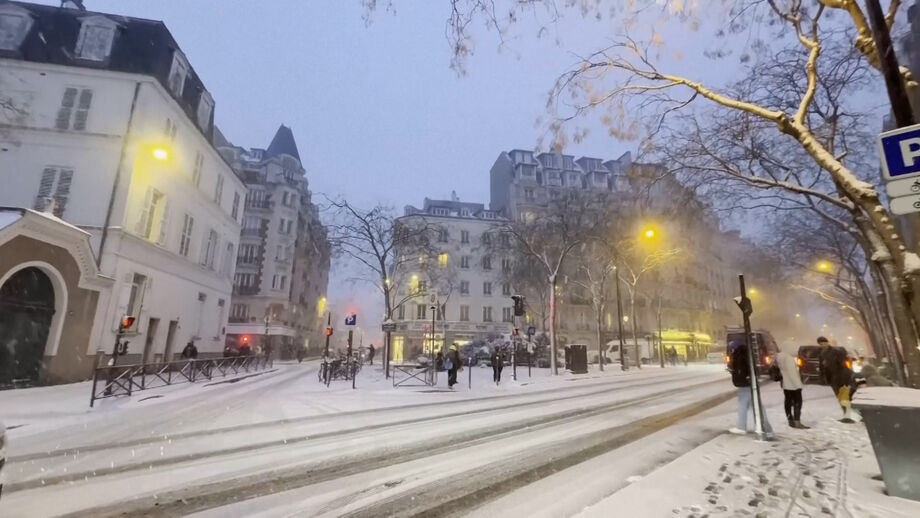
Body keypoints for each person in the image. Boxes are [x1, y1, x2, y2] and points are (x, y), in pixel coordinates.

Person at [728, 339, 774, 438]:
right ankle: (767, 429)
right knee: (757, 407)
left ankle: (741, 427)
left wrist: (737, 376)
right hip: (749, 384)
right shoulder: (747, 353)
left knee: (743, 406)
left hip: (745, 385)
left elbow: (740, 370)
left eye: (732, 347)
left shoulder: (739, 355)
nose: (731, 350)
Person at [817, 336, 857, 423]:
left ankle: (849, 415)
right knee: (840, 397)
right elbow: (821, 367)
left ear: (827, 343)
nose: (823, 345)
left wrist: (844, 376)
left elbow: (842, 364)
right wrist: (822, 378)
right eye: (821, 344)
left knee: (845, 396)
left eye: (824, 343)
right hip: (832, 378)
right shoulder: (821, 354)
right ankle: (846, 415)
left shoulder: (836, 352)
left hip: (840, 377)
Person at [774, 344, 809, 429]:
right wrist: (798, 385)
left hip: (785, 384)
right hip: (793, 385)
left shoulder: (779, 357)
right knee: (798, 402)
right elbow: (792, 373)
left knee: (788, 402)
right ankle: (797, 422)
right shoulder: (788, 358)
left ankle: (790, 420)